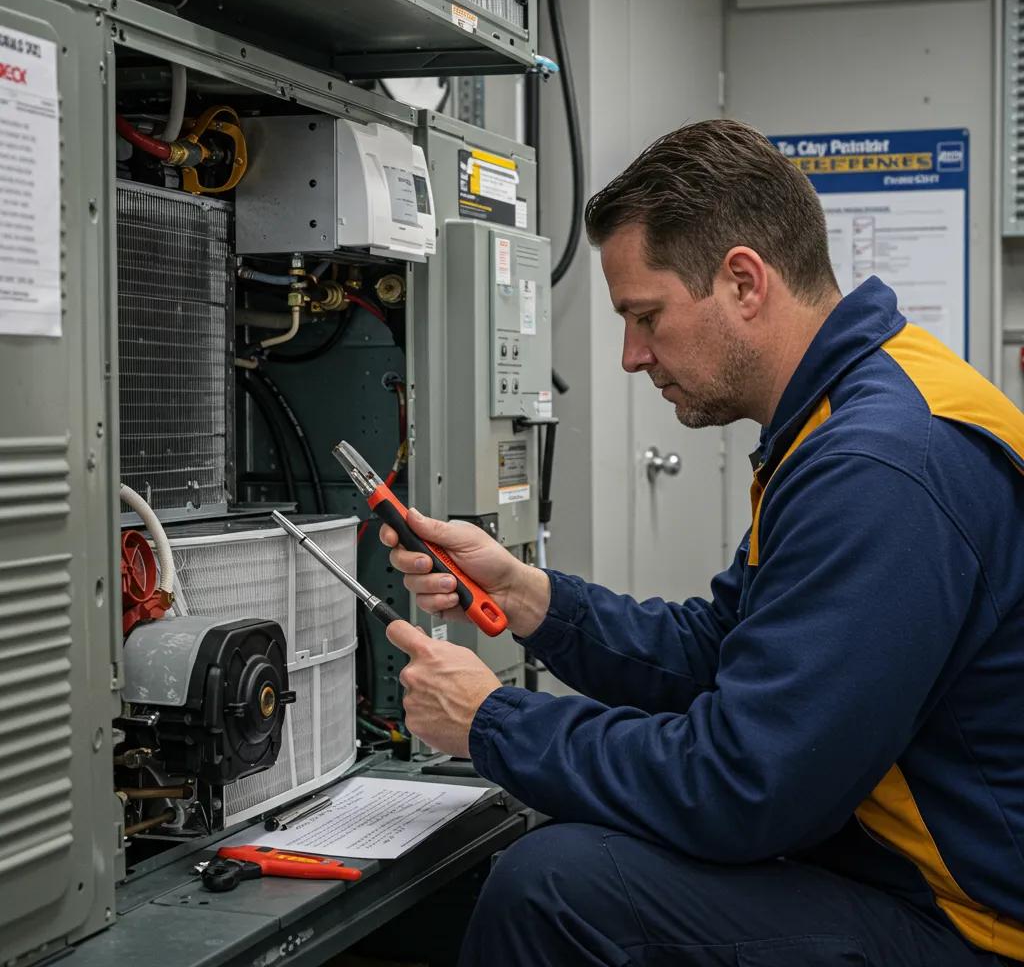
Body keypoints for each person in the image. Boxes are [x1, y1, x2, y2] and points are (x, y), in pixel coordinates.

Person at [381, 119, 1024, 967]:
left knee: (555, 890)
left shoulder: (879, 466)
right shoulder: (856, 408)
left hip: (973, 928)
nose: (631, 355)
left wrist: (491, 721)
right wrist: (528, 597)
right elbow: (723, 651)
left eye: (646, 316)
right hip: (897, 870)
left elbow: (746, 785)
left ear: (744, 282)